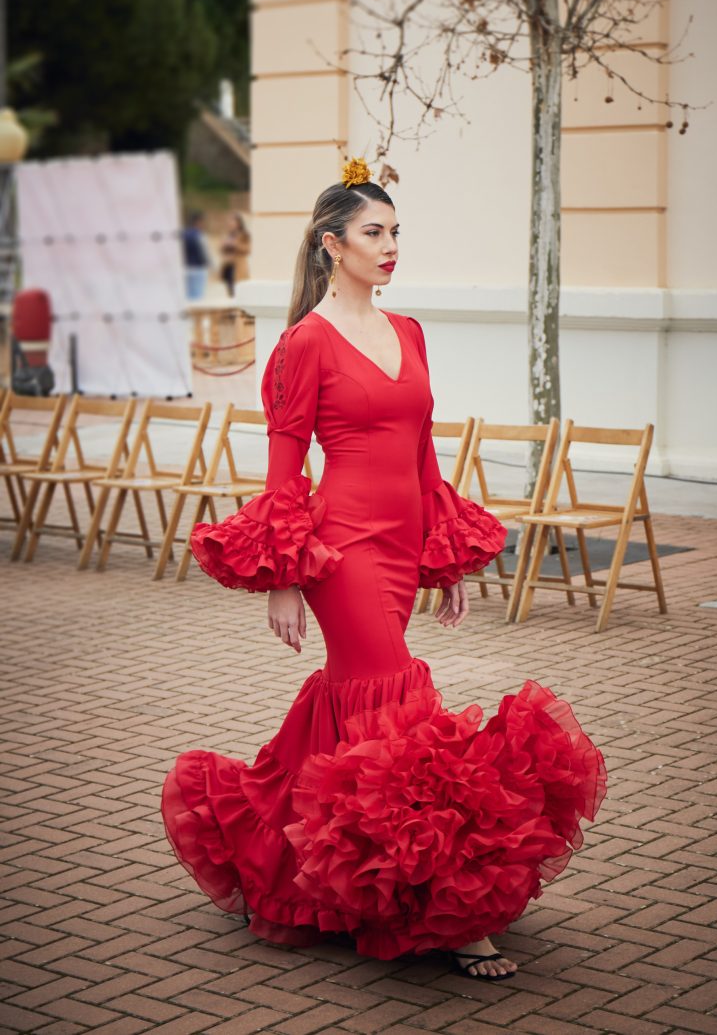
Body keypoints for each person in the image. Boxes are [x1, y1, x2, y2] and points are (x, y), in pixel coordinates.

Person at [162, 158, 606, 981]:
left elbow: (423, 453)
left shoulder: (409, 332)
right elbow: (285, 468)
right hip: (343, 548)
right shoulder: (302, 342)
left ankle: (284, 855)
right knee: (398, 698)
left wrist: (447, 552)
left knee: (360, 705)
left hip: (404, 544)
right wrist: (286, 573)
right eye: (375, 233)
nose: (391, 246)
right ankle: (445, 908)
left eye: (396, 232)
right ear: (333, 245)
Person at [219, 212, 251, 298]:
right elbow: (221, 249)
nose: (230, 223)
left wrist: (235, 244)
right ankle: (232, 308)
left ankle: (239, 310)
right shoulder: (227, 234)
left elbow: (247, 249)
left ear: (238, 223)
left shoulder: (244, 234)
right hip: (228, 266)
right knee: (229, 291)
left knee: (239, 290)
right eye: (229, 221)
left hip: (238, 267)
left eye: (233, 221)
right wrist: (224, 245)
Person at [182, 210, 209, 301]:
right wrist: (210, 265)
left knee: (188, 296)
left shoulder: (183, 234)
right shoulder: (199, 235)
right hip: (198, 268)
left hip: (187, 267)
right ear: (198, 221)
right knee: (198, 297)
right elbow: (204, 252)